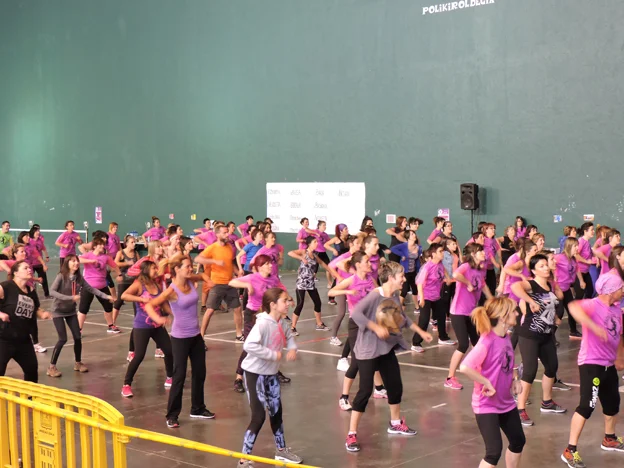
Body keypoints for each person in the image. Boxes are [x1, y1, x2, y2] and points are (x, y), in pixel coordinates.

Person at [345, 261, 433, 452]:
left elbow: (403, 318)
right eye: (401, 276)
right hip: (368, 350)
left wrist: (421, 332)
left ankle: (395, 423)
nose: (404, 279)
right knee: (365, 391)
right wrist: (375, 327)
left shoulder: (394, 297)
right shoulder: (375, 295)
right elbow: (356, 314)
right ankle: (351, 434)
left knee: (395, 386)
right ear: (391, 278)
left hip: (385, 348)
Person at [561, 272, 624, 467]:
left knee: (613, 403)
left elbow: (619, 335)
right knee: (587, 406)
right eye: (621, 288)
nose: (623, 291)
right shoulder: (594, 304)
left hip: (608, 364)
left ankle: (609, 438)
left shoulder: (617, 310)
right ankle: (570, 450)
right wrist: (592, 326)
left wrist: (620, 357)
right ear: (611, 290)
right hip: (591, 363)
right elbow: (573, 307)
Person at [144, 255, 215, 428]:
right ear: (177, 269)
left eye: (191, 266)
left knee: (200, 372)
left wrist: (208, 281)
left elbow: (202, 275)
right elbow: (150, 305)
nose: (190, 269)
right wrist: (159, 319)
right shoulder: (172, 290)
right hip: (180, 338)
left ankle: (197, 408)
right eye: (187, 266)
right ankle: (172, 415)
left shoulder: (190, 280)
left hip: (196, 336)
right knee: (179, 376)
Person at [236, 288, 302, 467]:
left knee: (276, 413)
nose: (288, 304)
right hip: (255, 374)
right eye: (284, 301)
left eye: (288, 300)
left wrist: (292, 348)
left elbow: (289, 336)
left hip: (271, 375)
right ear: (273, 305)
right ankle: (243, 459)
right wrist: (272, 355)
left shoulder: (282, 323)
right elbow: (249, 345)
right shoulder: (263, 324)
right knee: (258, 417)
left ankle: (281, 451)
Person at [460, 297, 525, 468]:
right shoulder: (486, 341)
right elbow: (465, 367)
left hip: (505, 402)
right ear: (503, 317)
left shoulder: (505, 336)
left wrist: (515, 379)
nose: (517, 313)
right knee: (493, 452)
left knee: (518, 441)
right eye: (513, 311)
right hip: (486, 405)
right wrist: (486, 382)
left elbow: (507, 361)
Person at [511, 254, 566, 427]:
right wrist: (530, 301)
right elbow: (514, 286)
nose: (546, 268)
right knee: (530, 371)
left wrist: (555, 317)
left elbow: (555, 301)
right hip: (530, 334)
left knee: (552, 367)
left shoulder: (550, 285)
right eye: (541, 266)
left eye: (546, 265)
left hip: (546, 334)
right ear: (534, 270)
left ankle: (547, 402)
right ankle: (520, 410)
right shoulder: (531, 284)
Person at [228, 255, 290, 393]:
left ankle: (274, 372)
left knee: (271, 345)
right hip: (253, 315)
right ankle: (239, 377)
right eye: (267, 264)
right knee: (249, 346)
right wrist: (247, 285)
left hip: (268, 316)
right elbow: (232, 282)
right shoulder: (252, 277)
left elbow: (282, 291)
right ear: (259, 267)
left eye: (270, 263)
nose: (270, 266)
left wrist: (288, 299)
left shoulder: (274, 279)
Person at [47, 255, 112, 377]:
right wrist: (70, 298)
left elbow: (91, 289)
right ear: (67, 263)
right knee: (62, 339)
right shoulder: (61, 276)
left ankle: (78, 363)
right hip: (58, 311)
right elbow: (52, 292)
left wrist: (106, 296)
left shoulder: (79, 278)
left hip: (71, 311)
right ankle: (51, 367)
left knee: (77, 337)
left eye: (77, 261)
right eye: (73, 261)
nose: (76, 263)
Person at [120, 260, 174, 398]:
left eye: (156, 268)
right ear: (146, 270)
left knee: (169, 350)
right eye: (153, 268)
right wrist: (141, 300)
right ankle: (126, 385)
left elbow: (162, 303)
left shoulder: (156, 284)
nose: (156, 270)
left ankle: (170, 378)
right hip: (142, 325)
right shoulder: (139, 284)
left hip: (156, 325)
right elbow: (124, 295)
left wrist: (174, 313)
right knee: (139, 355)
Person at [445, 243, 493, 390]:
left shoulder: (480, 269)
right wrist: (467, 283)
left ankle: (480, 374)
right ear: (473, 254)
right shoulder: (466, 266)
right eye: (480, 251)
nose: (483, 253)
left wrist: (493, 301)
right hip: (458, 312)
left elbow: (483, 286)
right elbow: (455, 275)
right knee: (463, 344)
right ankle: (450, 378)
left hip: (472, 312)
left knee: (478, 344)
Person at [0, 261, 51, 382]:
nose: (30, 270)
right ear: (16, 273)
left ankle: (30, 394)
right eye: (25, 268)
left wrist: (43, 314)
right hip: (3, 339)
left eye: (30, 267)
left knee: (31, 370)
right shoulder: (5, 287)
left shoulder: (31, 290)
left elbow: (36, 308)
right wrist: (0, 314)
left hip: (23, 340)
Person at [195, 225, 243, 340]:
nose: (227, 235)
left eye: (227, 232)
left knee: (237, 308)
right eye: (224, 233)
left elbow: (230, 263)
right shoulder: (212, 248)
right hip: (217, 284)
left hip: (230, 283)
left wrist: (238, 273)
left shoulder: (229, 247)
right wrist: (214, 261)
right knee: (210, 310)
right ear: (218, 234)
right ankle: (200, 337)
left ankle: (239, 334)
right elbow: (198, 259)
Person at [287, 236, 338, 335]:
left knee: (318, 303)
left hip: (311, 283)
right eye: (314, 242)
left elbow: (323, 264)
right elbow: (290, 253)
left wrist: (332, 273)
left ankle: (319, 324)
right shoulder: (304, 252)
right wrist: (301, 258)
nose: (316, 243)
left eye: (316, 242)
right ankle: (293, 327)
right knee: (300, 304)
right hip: (302, 283)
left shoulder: (315, 255)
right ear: (309, 244)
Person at [412, 243, 456, 352]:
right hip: (426, 296)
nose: (443, 253)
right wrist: (422, 298)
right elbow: (419, 283)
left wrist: (448, 278)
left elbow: (444, 270)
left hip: (436, 295)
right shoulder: (427, 267)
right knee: (424, 319)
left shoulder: (440, 263)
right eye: (440, 251)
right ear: (433, 254)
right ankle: (415, 343)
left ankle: (443, 338)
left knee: (441, 316)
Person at [78, 237, 122, 333]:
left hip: (102, 286)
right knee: (83, 309)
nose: (103, 246)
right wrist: (91, 261)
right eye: (100, 244)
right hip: (88, 286)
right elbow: (78, 260)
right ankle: (78, 330)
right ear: (94, 246)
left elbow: (114, 266)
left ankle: (111, 326)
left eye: (103, 244)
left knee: (108, 306)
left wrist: (120, 275)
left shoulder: (106, 257)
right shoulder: (88, 255)